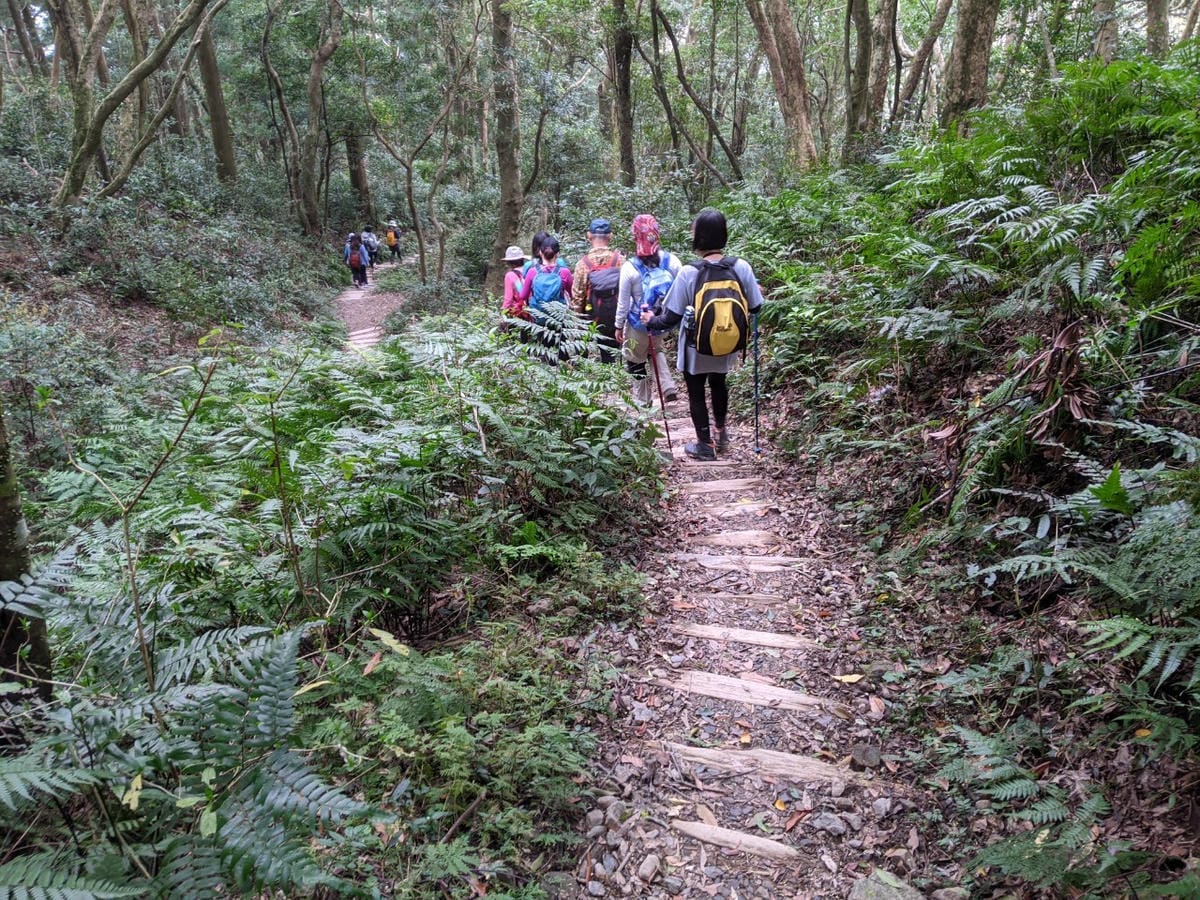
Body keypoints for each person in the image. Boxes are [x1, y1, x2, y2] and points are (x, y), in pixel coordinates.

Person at [641, 208, 764, 461]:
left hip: (695, 347)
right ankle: (721, 433)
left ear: (700, 238)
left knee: (696, 391)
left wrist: (650, 321)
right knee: (719, 383)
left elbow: (670, 317)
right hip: (728, 343)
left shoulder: (690, 272)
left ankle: (705, 445)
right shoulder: (741, 267)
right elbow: (756, 306)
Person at [616, 214, 679, 406]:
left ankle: (643, 400)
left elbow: (623, 303)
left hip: (638, 323)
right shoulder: (672, 261)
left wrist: (618, 325)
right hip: (662, 321)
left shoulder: (629, 267)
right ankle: (667, 386)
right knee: (656, 349)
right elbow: (681, 290)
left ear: (635, 236)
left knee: (635, 359)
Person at [573, 218, 625, 363]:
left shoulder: (583, 264)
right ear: (610, 236)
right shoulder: (620, 261)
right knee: (611, 356)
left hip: (593, 316)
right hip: (615, 317)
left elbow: (578, 297)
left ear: (589, 235)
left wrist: (578, 324)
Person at [518, 235, 572, 314]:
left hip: (537, 316)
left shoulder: (532, 272)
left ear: (540, 252)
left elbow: (523, 296)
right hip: (559, 316)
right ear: (557, 254)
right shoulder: (564, 272)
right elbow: (572, 294)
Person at [500, 244, 528, 322]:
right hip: (535, 310)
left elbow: (508, 299)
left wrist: (503, 314)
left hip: (520, 313)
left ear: (509, 262)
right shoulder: (531, 271)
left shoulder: (510, 275)